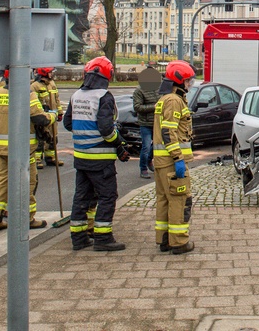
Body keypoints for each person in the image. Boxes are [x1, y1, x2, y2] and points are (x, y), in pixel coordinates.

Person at [62, 56, 129, 251]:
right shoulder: (103, 97)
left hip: (81, 158)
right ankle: (103, 238)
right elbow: (107, 129)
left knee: (82, 197)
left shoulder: (76, 95)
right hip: (100, 160)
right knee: (108, 196)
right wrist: (119, 143)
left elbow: (67, 123)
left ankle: (79, 238)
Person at [0, 68, 57, 232]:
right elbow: (39, 118)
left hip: (2, 148)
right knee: (28, 181)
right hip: (23, 149)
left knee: (1, 180)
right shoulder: (27, 94)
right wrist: (52, 115)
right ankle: (26, 218)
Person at [152, 61, 196, 255]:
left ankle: (164, 239)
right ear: (179, 80)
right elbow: (169, 131)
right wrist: (178, 158)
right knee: (179, 200)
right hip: (171, 161)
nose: (190, 84)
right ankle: (178, 242)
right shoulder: (174, 100)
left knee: (164, 199)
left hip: (162, 162)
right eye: (188, 80)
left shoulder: (165, 99)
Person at [132, 67, 162, 179]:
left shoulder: (159, 88)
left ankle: (149, 161)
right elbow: (137, 107)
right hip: (145, 123)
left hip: (158, 122)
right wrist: (153, 107)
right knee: (146, 147)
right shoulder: (139, 90)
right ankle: (143, 169)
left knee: (157, 146)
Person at [32, 66, 64, 168]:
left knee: (53, 137)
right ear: (44, 73)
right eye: (50, 72)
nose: (52, 74)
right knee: (41, 138)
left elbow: (57, 99)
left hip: (52, 115)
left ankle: (50, 158)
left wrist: (59, 112)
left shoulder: (52, 84)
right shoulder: (35, 86)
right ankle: (37, 159)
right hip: (43, 117)